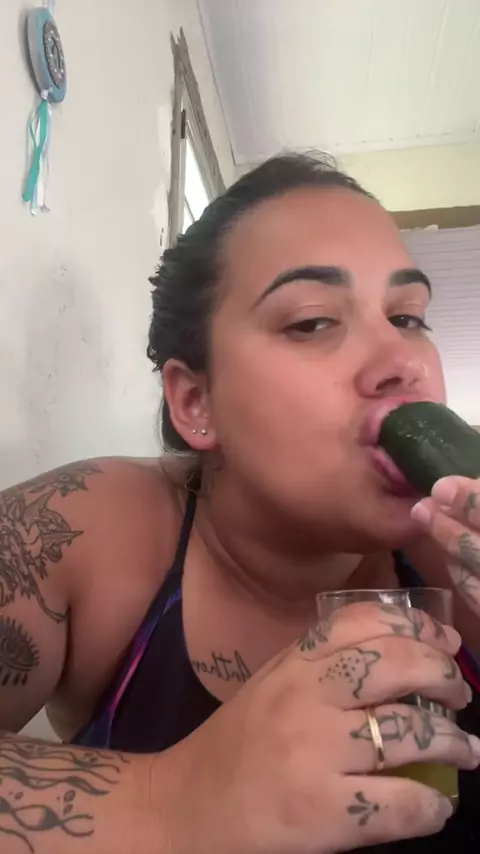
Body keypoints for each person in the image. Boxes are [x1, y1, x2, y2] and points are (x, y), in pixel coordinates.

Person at [1, 152, 480, 854]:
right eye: (312, 322)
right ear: (196, 401)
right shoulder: (84, 529)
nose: (402, 362)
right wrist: (172, 799)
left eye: (408, 317)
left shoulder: (457, 552)